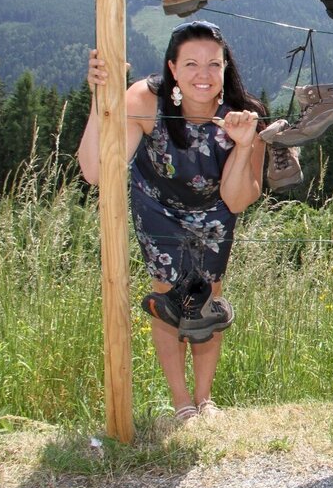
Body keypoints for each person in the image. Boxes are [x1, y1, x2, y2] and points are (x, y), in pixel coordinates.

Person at [77, 21, 266, 422]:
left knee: (207, 299)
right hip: (157, 205)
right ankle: (182, 402)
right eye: (191, 64)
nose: (203, 75)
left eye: (213, 64)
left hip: (215, 209)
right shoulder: (146, 100)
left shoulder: (245, 116)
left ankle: (205, 398)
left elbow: (237, 198)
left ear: (225, 67)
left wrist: (246, 143)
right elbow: (95, 171)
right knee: (168, 296)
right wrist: (101, 100)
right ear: (173, 69)